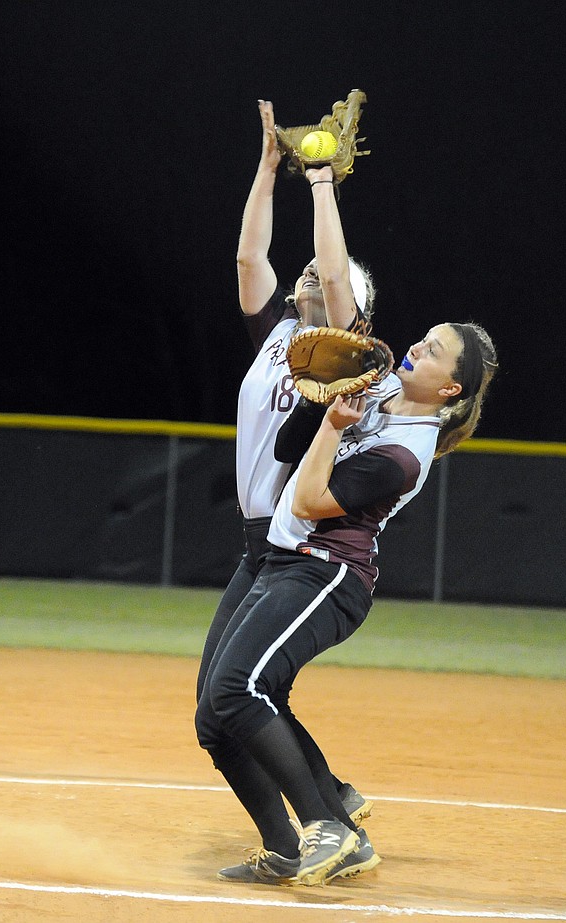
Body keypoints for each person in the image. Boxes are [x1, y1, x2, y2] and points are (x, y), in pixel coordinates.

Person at [196, 319, 498, 886]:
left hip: (326, 576)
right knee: (216, 719)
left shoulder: (405, 454)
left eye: (433, 351)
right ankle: (300, 843)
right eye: (424, 338)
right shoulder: (380, 388)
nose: (416, 347)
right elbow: (288, 447)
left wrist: (335, 423)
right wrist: (327, 396)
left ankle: (325, 824)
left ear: (449, 389)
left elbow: (309, 499)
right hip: (281, 563)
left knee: (238, 690)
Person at [194, 97, 375, 874]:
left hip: (299, 541)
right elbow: (245, 262)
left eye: (324, 282)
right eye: (298, 275)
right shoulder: (276, 335)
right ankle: (290, 836)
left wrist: (320, 182)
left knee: (241, 689)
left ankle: (331, 814)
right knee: (214, 711)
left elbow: (333, 271)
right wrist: (267, 172)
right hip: (254, 546)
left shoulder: (341, 352)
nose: (306, 278)